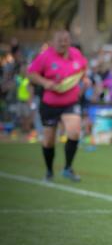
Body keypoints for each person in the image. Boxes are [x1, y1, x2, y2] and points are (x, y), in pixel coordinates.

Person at [26, 30, 88, 182]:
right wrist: (45, 82)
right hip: (49, 103)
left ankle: (68, 168)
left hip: (70, 102)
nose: (63, 43)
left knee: (74, 132)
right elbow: (31, 74)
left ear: (70, 41)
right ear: (53, 41)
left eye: (66, 40)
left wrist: (85, 81)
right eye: (59, 40)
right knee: (48, 140)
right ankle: (49, 171)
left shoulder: (76, 54)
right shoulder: (45, 56)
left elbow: (83, 69)